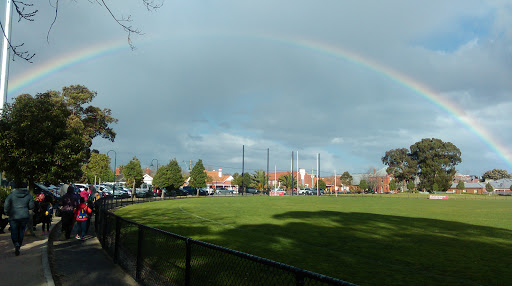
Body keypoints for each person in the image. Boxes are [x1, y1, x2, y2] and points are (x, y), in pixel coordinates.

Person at [3, 182, 35, 256]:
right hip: (24, 215)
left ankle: (16, 243)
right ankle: (19, 245)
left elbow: (6, 205)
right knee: (21, 231)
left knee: (14, 231)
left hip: (13, 216)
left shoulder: (11, 195)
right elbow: (31, 206)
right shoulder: (28, 195)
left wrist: (7, 212)